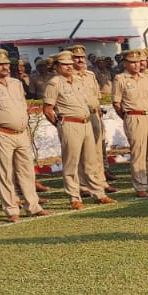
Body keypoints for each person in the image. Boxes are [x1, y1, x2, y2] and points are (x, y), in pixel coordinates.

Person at [0, 48, 47, 221]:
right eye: (0, 64)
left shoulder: (16, 83)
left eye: (6, 64)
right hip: (1, 133)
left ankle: (33, 206)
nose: (5, 67)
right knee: (5, 173)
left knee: (27, 171)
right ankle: (12, 209)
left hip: (21, 133)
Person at [40, 51, 113, 209]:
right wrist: (61, 125)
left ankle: (99, 194)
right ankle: (74, 197)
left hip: (85, 122)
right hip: (69, 124)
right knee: (71, 163)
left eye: (70, 64)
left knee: (90, 161)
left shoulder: (77, 80)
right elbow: (48, 110)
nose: (69, 67)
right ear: (57, 66)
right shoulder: (54, 83)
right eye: (64, 65)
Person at [111, 49, 148, 197]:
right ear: (125, 63)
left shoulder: (146, 78)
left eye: (138, 62)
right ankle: (140, 185)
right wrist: (127, 117)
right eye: (132, 62)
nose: (136, 65)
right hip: (134, 116)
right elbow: (116, 103)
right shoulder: (120, 79)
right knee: (139, 153)